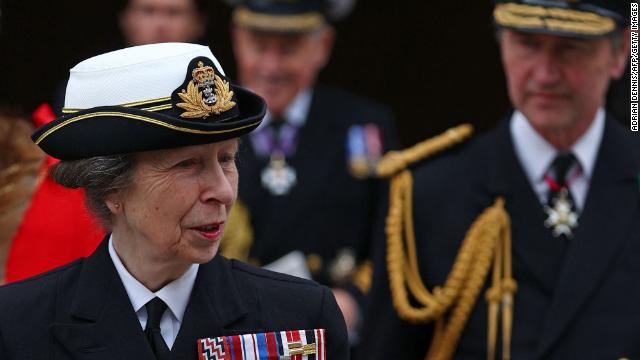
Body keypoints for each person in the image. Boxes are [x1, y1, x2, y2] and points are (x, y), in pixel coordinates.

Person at [0, 42, 348, 359]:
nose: (223, 192)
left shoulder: (299, 316)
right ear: (110, 188)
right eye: (187, 165)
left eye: (227, 159)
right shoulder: (19, 324)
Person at [359, 1, 637, 359]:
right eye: (527, 44)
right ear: (502, 46)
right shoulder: (430, 193)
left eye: (570, 48)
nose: (545, 74)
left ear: (620, 54)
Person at [223, 0, 400, 336]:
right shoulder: (207, 127)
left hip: (329, 331)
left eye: (289, 50)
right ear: (237, 39)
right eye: (258, 47)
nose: (271, 67)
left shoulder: (364, 127)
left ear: (323, 46)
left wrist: (355, 302)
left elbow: (392, 239)